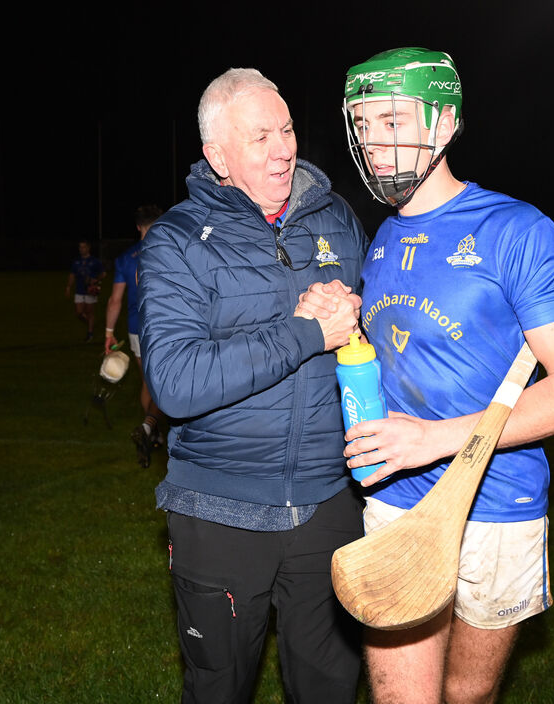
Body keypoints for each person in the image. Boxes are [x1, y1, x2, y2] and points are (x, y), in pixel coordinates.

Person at [303, 47, 554, 704]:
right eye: (362, 126)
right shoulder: (380, 237)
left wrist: (437, 439)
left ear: (444, 124)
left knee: (468, 696)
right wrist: (338, 326)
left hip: (497, 509)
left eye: (391, 121)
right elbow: (401, 353)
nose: (375, 145)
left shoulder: (516, 231)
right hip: (396, 501)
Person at [137, 67, 369, 704]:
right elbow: (177, 382)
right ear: (217, 156)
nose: (283, 148)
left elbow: (382, 329)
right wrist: (303, 333)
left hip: (331, 506)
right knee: (219, 689)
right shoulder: (179, 242)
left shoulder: (339, 219)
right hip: (221, 515)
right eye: (260, 136)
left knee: (330, 688)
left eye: (288, 129)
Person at [104, 204, 166, 467]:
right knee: (164, 385)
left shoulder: (126, 258)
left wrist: (108, 333)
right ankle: (149, 427)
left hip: (135, 329)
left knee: (146, 382)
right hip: (164, 328)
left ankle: (151, 431)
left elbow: (115, 300)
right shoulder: (168, 251)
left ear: (138, 226)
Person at [65, 240, 105, 341]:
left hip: (90, 290)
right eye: (80, 247)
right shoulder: (76, 261)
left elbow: (103, 274)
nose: (81, 249)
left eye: (83, 247)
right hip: (79, 290)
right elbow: (72, 275)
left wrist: (96, 280)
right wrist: (68, 287)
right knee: (79, 313)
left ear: (88, 248)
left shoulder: (94, 261)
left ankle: (90, 333)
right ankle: (92, 325)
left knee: (90, 312)